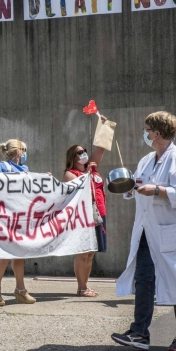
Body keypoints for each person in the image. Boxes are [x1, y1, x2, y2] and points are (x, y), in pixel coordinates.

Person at [112, 111, 176, 351]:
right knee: (144, 279)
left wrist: (157, 190)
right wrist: (129, 187)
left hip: (173, 231)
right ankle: (139, 332)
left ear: (157, 133)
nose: (145, 134)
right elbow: (137, 184)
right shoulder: (147, 160)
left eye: (147, 130)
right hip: (148, 231)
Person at [62, 120, 108, 298]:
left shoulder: (92, 169)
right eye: (79, 152)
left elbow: (101, 148)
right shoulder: (70, 173)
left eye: (84, 151)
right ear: (73, 158)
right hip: (82, 217)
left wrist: (103, 126)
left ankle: (85, 285)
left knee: (91, 254)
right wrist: (88, 173)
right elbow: (71, 195)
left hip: (98, 215)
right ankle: (81, 287)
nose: (84, 154)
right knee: (83, 253)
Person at [0, 138, 36, 306]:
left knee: (19, 253)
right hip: (5, 215)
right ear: (18, 151)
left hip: (20, 215)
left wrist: (44, 180)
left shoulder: (25, 169)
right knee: (4, 254)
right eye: (23, 150)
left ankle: (20, 289)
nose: (25, 154)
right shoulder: (2, 167)